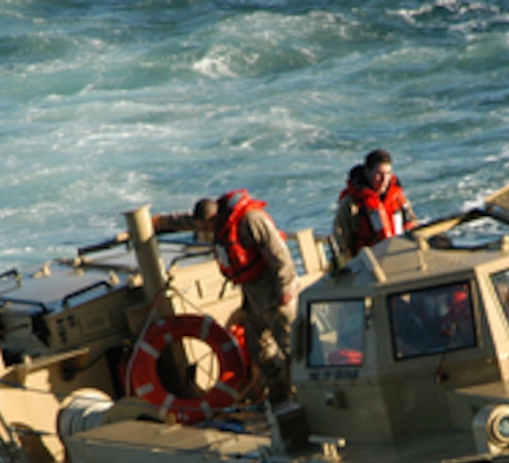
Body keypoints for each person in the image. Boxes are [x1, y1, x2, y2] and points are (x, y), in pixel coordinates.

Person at [152, 191, 298, 404]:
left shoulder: (251, 220)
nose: (205, 232)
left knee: (290, 346)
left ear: (213, 220)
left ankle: (303, 394)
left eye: (206, 228)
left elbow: (279, 254)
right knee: (259, 349)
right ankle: (279, 393)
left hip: (275, 293)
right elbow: (189, 221)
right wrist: (160, 222)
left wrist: (285, 289)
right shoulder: (215, 222)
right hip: (252, 296)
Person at [333, 148, 417, 259]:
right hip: (368, 262)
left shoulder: (399, 199)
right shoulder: (351, 203)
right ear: (367, 172)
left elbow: (413, 223)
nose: (384, 180)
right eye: (379, 174)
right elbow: (341, 236)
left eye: (388, 174)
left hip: (401, 255)